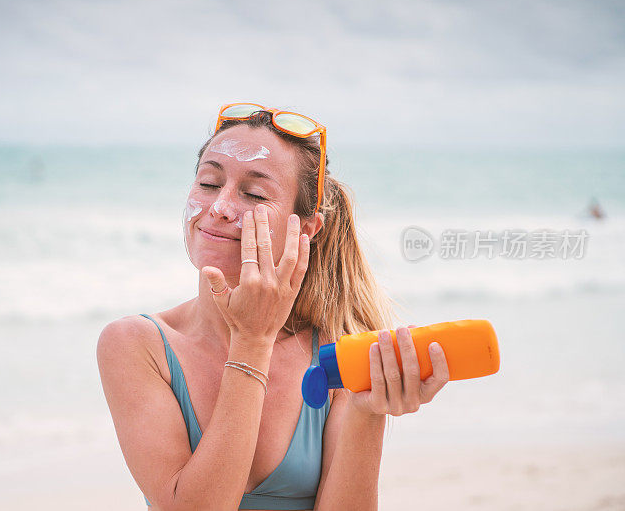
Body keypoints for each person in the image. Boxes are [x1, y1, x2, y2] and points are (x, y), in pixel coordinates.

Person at [97, 103, 450, 510]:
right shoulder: (136, 345)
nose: (220, 207)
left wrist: (367, 412)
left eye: (254, 194)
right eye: (209, 183)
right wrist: (252, 341)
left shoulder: (337, 349)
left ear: (307, 229)